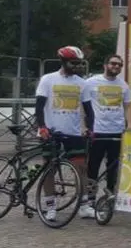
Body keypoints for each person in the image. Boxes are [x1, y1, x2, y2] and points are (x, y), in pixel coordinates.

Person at [35, 46, 94, 223]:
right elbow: (39, 106)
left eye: (79, 63)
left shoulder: (82, 83)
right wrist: (42, 126)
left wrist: (90, 129)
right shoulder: (48, 79)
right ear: (63, 62)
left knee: (81, 168)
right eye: (73, 63)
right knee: (49, 169)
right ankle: (50, 207)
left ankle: (84, 206)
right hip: (51, 131)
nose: (77, 66)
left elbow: (89, 110)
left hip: (73, 133)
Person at [80, 54, 131, 219]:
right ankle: (89, 202)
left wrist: (129, 124)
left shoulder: (123, 85)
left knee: (113, 168)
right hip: (97, 131)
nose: (116, 67)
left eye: (119, 65)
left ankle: (109, 200)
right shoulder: (91, 83)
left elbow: (127, 106)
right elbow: (83, 106)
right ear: (105, 64)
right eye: (113, 64)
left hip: (116, 131)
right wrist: (83, 125)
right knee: (93, 168)